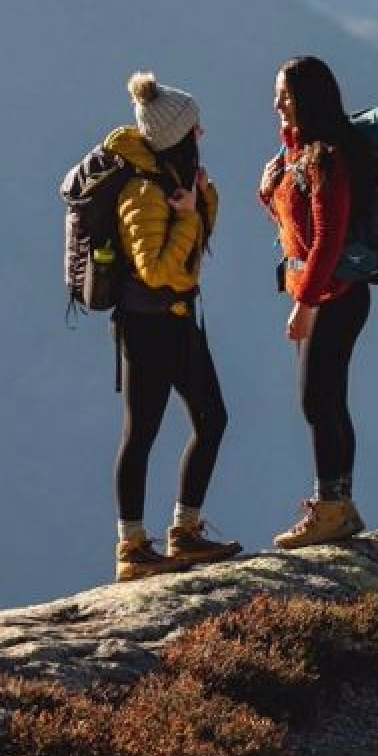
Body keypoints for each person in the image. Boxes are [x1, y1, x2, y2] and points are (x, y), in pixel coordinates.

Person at [106, 70, 243, 582]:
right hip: (147, 328)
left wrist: (199, 202)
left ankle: (184, 532)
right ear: (177, 136)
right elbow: (158, 270)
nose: (201, 134)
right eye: (195, 128)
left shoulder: (172, 182)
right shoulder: (141, 192)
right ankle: (133, 547)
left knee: (212, 419)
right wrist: (188, 215)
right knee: (141, 433)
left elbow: (192, 253)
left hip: (179, 322)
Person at [259, 54, 372, 548]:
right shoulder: (299, 155)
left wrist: (305, 304)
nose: (276, 101)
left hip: (336, 297)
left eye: (284, 92)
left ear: (306, 97)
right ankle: (338, 505)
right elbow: (297, 233)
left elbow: (328, 239)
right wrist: (269, 192)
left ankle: (331, 509)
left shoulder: (325, 157)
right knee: (328, 399)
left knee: (316, 400)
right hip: (328, 293)